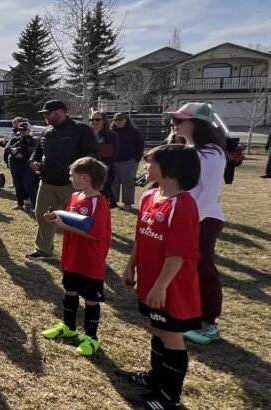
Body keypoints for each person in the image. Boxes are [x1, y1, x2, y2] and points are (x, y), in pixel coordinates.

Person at [121, 144, 202, 410]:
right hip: (149, 279)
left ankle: (169, 397)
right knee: (156, 328)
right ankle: (155, 378)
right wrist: (131, 265)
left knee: (171, 335)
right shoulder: (149, 196)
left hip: (169, 286)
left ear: (169, 169)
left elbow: (178, 254)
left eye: (151, 162)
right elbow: (140, 237)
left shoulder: (184, 205)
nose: (146, 166)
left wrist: (161, 286)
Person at [164, 103, 227, 345]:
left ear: (198, 124)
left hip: (202, 219)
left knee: (203, 268)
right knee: (185, 269)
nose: (174, 124)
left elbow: (205, 194)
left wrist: (184, 221)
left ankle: (208, 323)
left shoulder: (211, 154)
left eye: (180, 121)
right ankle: (190, 314)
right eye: (174, 120)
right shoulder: (189, 149)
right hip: (187, 217)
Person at [40, 157, 112, 357]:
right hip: (72, 257)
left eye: (72, 175)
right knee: (70, 291)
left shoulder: (99, 202)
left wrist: (64, 226)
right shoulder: (75, 197)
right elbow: (74, 223)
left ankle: (91, 337)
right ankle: (69, 327)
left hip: (90, 260)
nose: (70, 178)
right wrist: (57, 219)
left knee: (90, 299)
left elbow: (95, 233)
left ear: (86, 178)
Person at [28, 100, 98, 259]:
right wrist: (33, 161)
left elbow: (91, 155)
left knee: (76, 220)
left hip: (71, 184)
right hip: (47, 181)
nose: (45, 116)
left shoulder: (81, 130)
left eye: (48, 113)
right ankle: (44, 249)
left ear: (60, 112)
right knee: (43, 215)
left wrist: (81, 176)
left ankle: (83, 253)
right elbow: (37, 151)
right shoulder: (47, 131)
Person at [111, 113, 145, 210]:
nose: (118, 122)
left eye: (120, 120)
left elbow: (140, 145)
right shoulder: (111, 132)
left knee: (128, 183)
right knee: (113, 183)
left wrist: (136, 160)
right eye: (116, 120)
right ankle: (114, 202)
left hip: (129, 162)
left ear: (126, 120)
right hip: (114, 162)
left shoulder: (134, 132)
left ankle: (128, 204)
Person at [4, 122, 39, 211]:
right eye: (20, 130)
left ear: (28, 130)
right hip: (15, 164)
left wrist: (19, 151)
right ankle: (20, 203)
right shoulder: (15, 139)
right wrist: (14, 152)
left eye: (24, 130)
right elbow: (7, 148)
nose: (22, 132)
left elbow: (32, 150)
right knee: (17, 184)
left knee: (29, 185)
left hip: (27, 165)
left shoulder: (33, 140)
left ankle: (35, 206)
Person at [89, 111, 118, 206]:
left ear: (104, 121)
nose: (94, 122)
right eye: (91, 119)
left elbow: (112, 153)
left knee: (103, 194)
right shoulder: (87, 134)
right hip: (90, 168)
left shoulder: (111, 135)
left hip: (106, 169)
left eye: (97, 119)